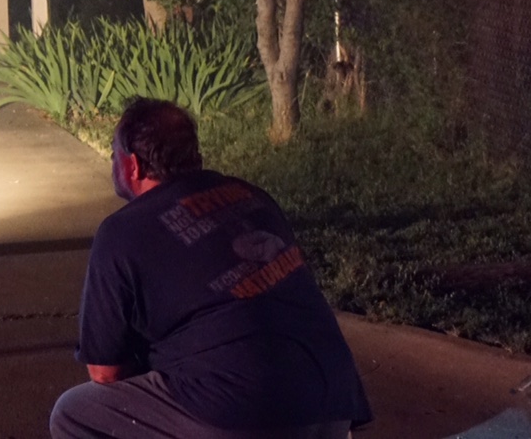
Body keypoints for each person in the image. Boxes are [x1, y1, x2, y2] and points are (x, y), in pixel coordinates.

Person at [50, 98, 372, 439]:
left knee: (73, 413)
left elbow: (105, 373)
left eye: (115, 155)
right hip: (335, 402)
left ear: (132, 165)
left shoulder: (121, 232)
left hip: (243, 412)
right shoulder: (253, 197)